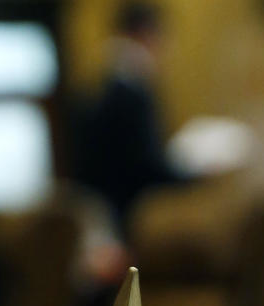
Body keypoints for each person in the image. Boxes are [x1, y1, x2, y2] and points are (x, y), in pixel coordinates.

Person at [73, 3, 187, 234]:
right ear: (146, 32)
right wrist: (192, 172)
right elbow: (145, 165)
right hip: (120, 213)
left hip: (104, 209)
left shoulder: (103, 82)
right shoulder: (130, 91)